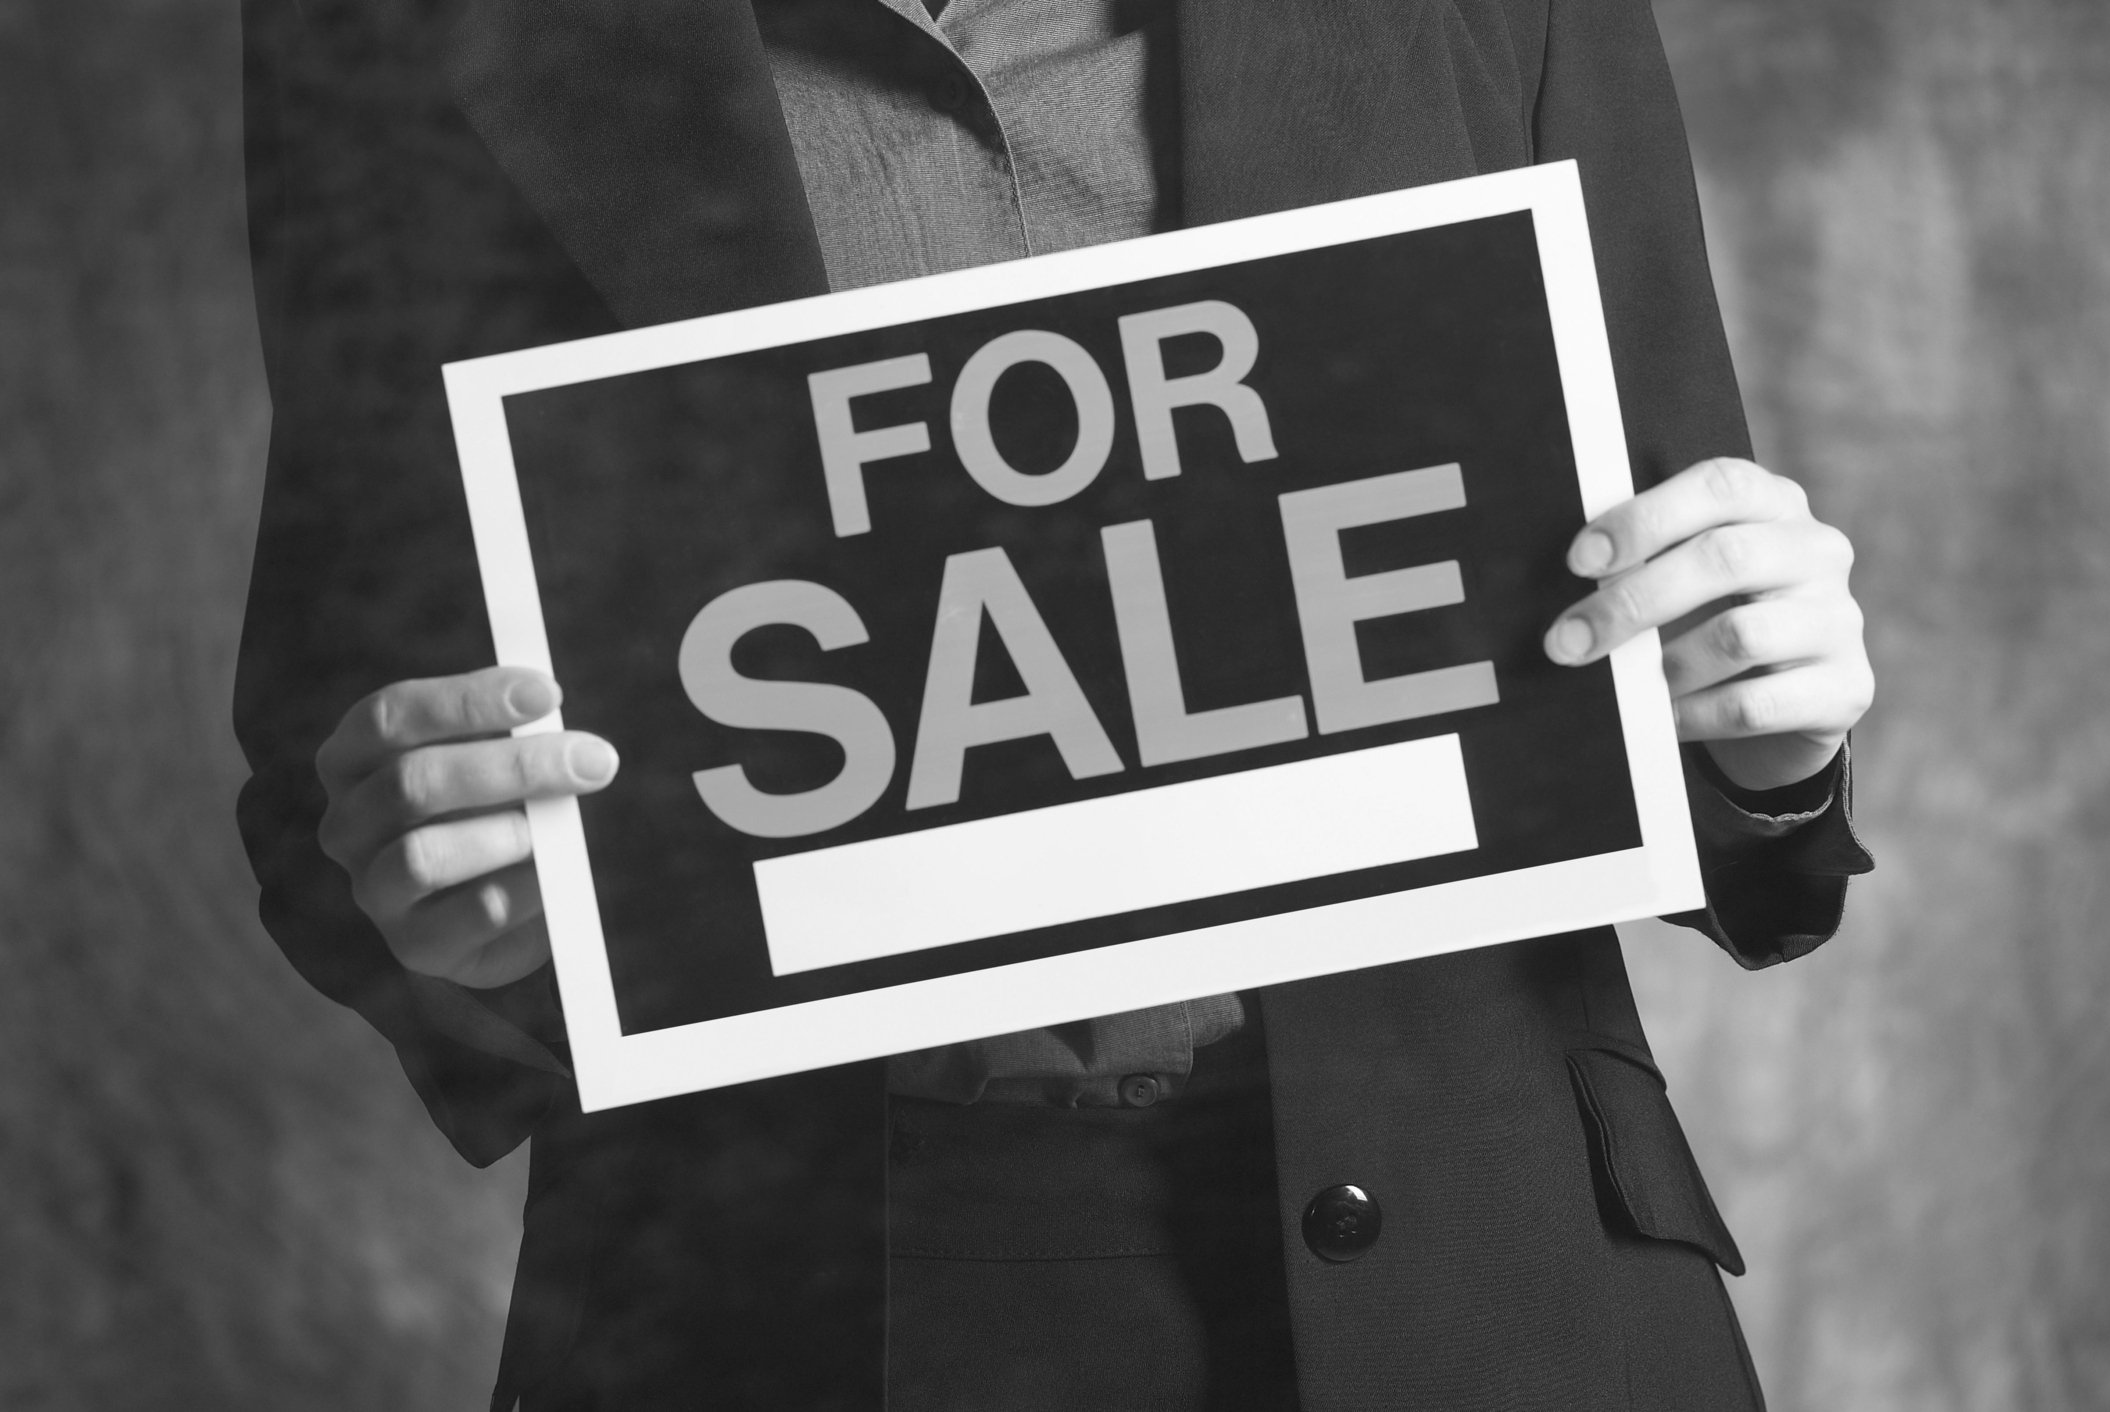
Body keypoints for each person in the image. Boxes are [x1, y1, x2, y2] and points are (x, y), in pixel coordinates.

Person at [235, 0, 1876, 1406]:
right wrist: (448, 907)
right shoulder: (397, 34)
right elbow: (338, 761)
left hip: (1490, 1266)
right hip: (793, 1299)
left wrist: (1771, 743)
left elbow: (1684, 639)